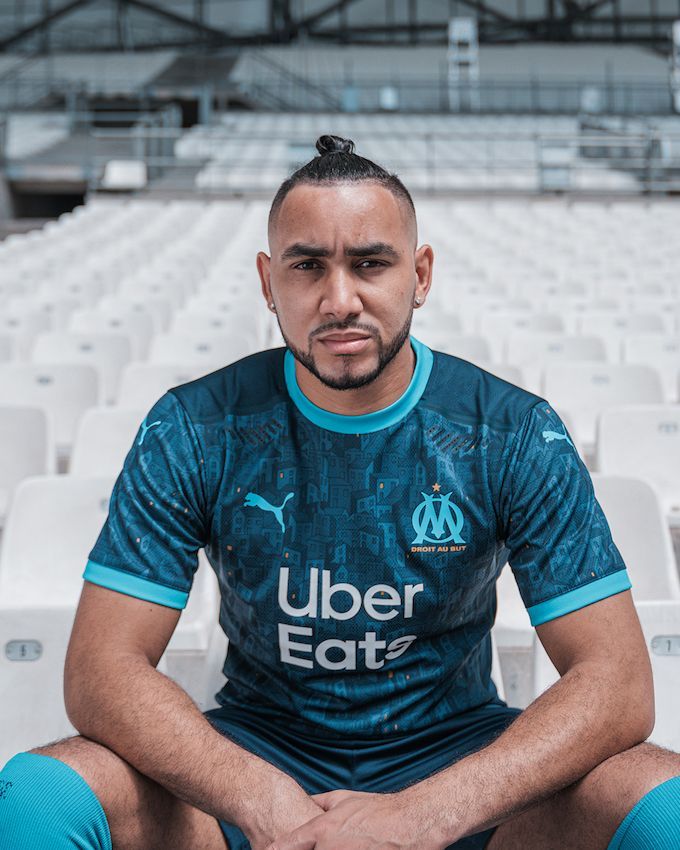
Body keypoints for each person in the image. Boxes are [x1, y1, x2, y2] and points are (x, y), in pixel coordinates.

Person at [0, 134, 679, 850]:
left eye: (370, 264)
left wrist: (421, 816)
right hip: (252, 758)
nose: (339, 299)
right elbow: (102, 671)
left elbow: (617, 682)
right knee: (38, 797)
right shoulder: (195, 427)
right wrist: (269, 804)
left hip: (460, 766)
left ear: (420, 274)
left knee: (663, 804)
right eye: (307, 266)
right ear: (268, 282)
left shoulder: (510, 432)